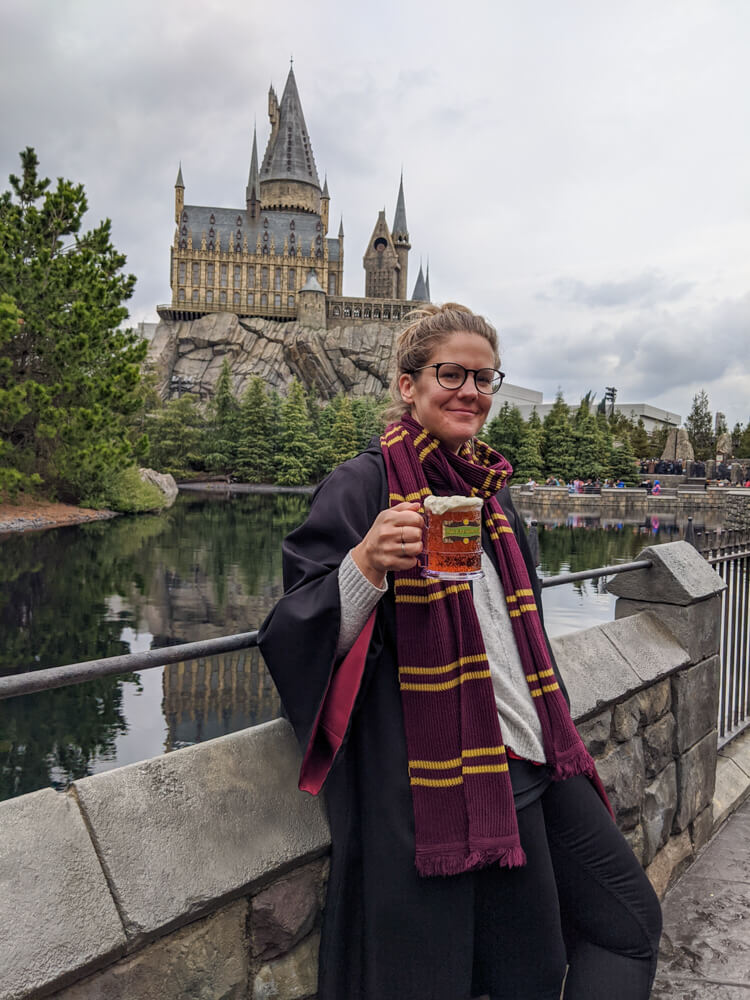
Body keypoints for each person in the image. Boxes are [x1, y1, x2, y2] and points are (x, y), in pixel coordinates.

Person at [259, 303, 661, 1000]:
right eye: (451, 374)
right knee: (494, 978)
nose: (470, 391)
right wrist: (365, 564)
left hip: (534, 757)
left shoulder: (494, 498)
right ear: (408, 384)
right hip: (433, 783)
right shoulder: (363, 487)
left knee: (621, 927)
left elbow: (517, 636)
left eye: (484, 378)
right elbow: (292, 633)